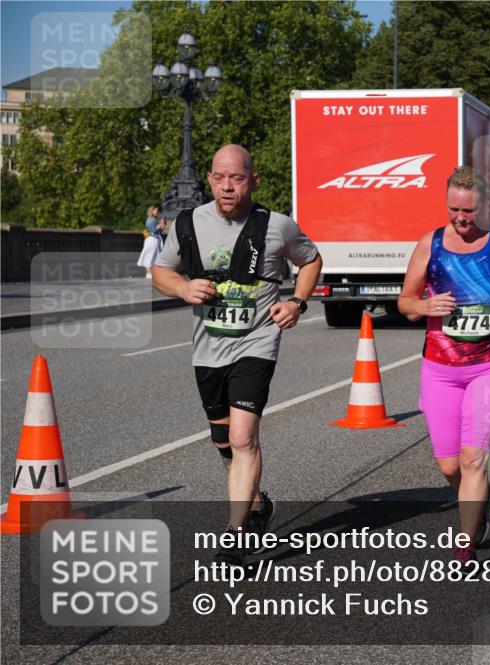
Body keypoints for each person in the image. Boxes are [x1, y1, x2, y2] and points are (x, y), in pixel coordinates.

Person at [152, 144, 322, 566]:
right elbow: (160, 271)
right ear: (210, 179)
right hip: (208, 349)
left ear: (254, 181)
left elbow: (311, 261)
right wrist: (182, 287)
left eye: (238, 178)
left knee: (244, 437)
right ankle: (258, 505)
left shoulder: (277, 226)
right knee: (224, 442)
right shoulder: (188, 223)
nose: (228, 186)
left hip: (257, 343)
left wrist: (296, 302)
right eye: (220, 177)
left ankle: (236, 533)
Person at [398, 166, 490, 568]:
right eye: (454, 209)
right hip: (441, 367)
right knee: (449, 464)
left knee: (473, 460)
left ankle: (465, 549)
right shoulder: (431, 244)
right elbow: (405, 303)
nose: (460, 218)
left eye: (469, 211)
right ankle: (481, 497)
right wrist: (425, 305)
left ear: (485, 206)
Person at [137, 209, 164, 279]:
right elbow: (153, 230)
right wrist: (160, 225)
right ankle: (148, 273)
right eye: (156, 211)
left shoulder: (154, 220)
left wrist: (162, 225)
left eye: (158, 211)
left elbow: (160, 231)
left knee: (154, 257)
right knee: (149, 256)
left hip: (155, 240)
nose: (157, 212)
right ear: (152, 211)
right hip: (151, 239)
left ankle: (151, 273)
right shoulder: (150, 220)